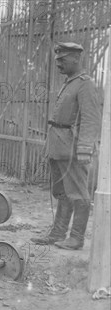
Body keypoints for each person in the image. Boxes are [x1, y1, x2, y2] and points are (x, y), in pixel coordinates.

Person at [31, 42, 102, 250]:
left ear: (76, 59)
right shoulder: (69, 82)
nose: (58, 64)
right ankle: (58, 233)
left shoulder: (85, 84)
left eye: (62, 60)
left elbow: (91, 119)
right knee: (62, 192)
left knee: (79, 194)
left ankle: (77, 238)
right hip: (60, 146)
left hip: (73, 149)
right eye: (57, 60)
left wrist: (84, 149)